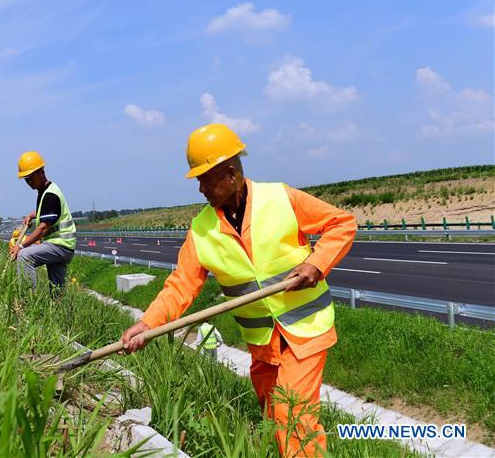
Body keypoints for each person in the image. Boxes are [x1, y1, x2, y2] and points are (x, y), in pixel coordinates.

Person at [120, 123, 356, 457]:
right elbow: (181, 285)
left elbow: (341, 223)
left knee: (293, 420)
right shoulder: (202, 229)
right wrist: (148, 324)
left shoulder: (281, 199)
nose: (200, 188)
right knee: (273, 419)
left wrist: (317, 263)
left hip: (306, 330)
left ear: (231, 174)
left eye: (205, 179)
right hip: (263, 345)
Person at [8, 151, 76, 291]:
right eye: (26, 180)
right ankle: (60, 310)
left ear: (41, 172)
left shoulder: (50, 194)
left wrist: (20, 246)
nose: (29, 183)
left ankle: (27, 301)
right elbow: (47, 213)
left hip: (60, 245)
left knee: (24, 256)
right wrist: (33, 215)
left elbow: (43, 229)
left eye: (31, 178)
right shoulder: (45, 191)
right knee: (57, 291)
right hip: (62, 246)